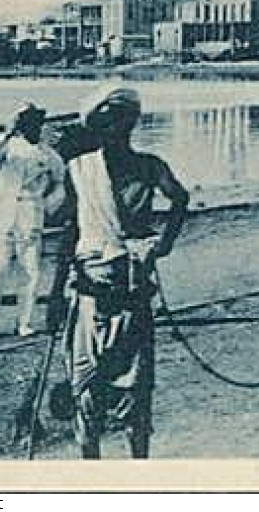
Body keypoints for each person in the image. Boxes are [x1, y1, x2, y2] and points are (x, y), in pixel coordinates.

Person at [56, 87, 188, 459]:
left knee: (136, 395)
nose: (117, 131)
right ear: (99, 128)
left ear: (131, 125)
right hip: (87, 297)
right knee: (85, 394)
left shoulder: (149, 166)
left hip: (131, 299)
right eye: (109, 124)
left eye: (123, 123)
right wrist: (54, 298)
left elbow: (180, 198)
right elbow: (70, 231)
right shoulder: (80, 169)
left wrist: (163, 243)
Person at [0, 104, 66, 339]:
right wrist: (6, 132)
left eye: (36, 123)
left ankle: (24, 322)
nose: (33, 129)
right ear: (21, 126)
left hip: (31, 212)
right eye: (27, 124)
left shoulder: (47, 154)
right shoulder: (10, 146)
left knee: (31, 271)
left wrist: (48, 206)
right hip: (2, 212)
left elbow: (60, 180)